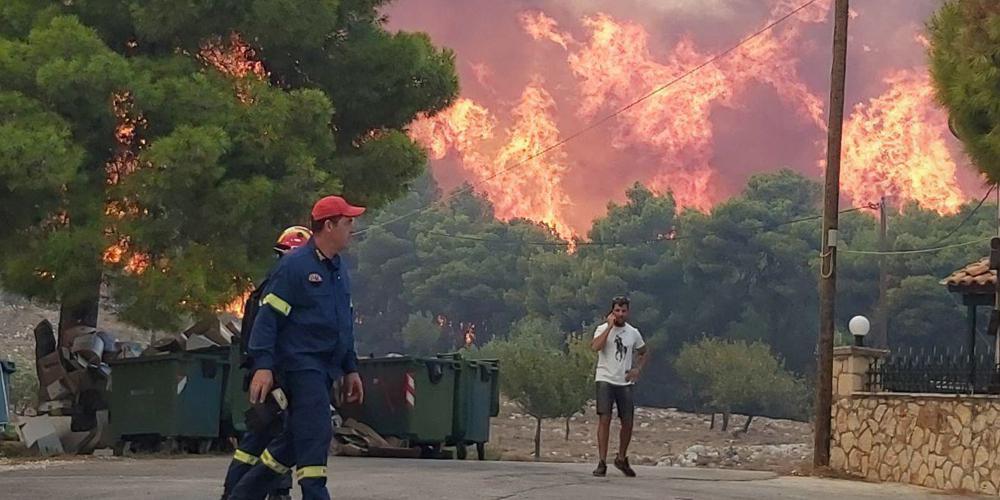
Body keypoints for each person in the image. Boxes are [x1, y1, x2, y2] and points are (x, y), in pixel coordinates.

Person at [229, 196, 366, 500]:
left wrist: (350, 368)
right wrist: (263, 366)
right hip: (301, 366)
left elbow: (343, 324)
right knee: (316, 434)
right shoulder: (294, 266)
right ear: (328, 226)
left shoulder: (337, 269)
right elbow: (267, 319)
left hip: (326, 369)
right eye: (347, 222)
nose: (352, 228)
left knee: (291, 441)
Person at [221, 226, 312, 500]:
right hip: (275, 377)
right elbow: (270, 335)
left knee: (261, 439)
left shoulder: (269, 287)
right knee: (273, 438)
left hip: (269, 375)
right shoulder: (279, 289)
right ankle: (273, 492)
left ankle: (240, 493)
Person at [590, 295, 649, 478]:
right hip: (605, 378)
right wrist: (609, 327)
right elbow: (595, 347)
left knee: (628, 421)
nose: (620, 314)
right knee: (604, 418)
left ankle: (621, 457)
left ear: (628, 312)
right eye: (617, 310)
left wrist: (637, 369)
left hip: (624, 381)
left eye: (623, 311)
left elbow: (643, 351)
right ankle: (602, 461)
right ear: (612, 311)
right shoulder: (602, 329)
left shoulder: (633, 333)